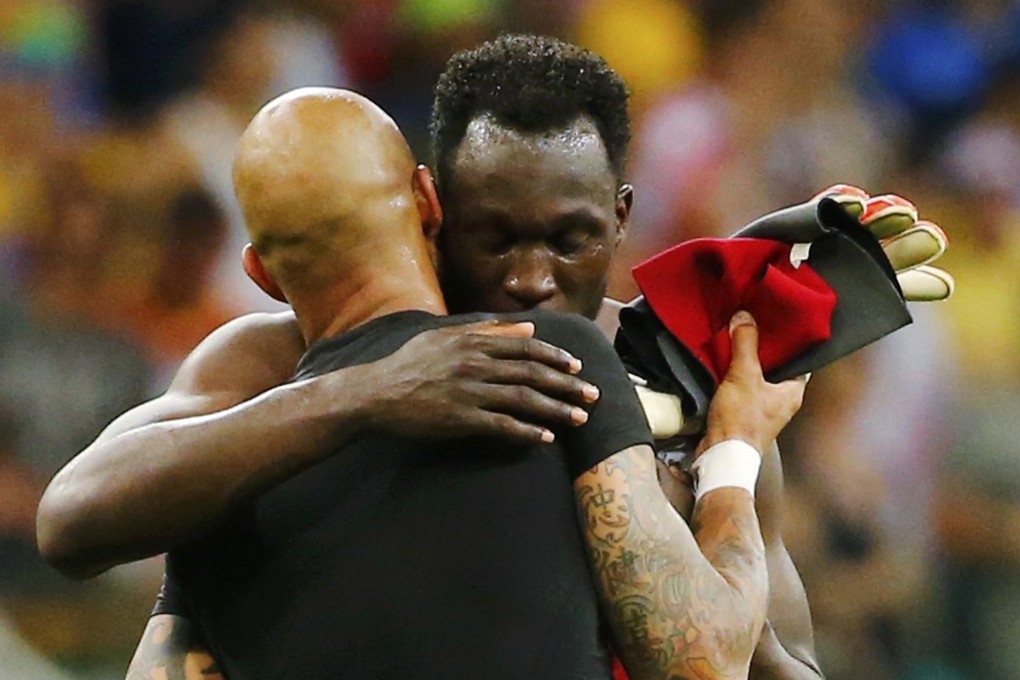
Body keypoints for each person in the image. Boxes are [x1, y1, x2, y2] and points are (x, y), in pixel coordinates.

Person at [38, 35, 820, 677]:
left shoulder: (683, 383)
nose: (529, 281)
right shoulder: (263, 378)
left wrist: (711, 460)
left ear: (622, 220)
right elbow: (72, 518)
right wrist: (729, 468)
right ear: (431, 207)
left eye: (568, 238)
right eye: (495, 239)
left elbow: (784, 667)